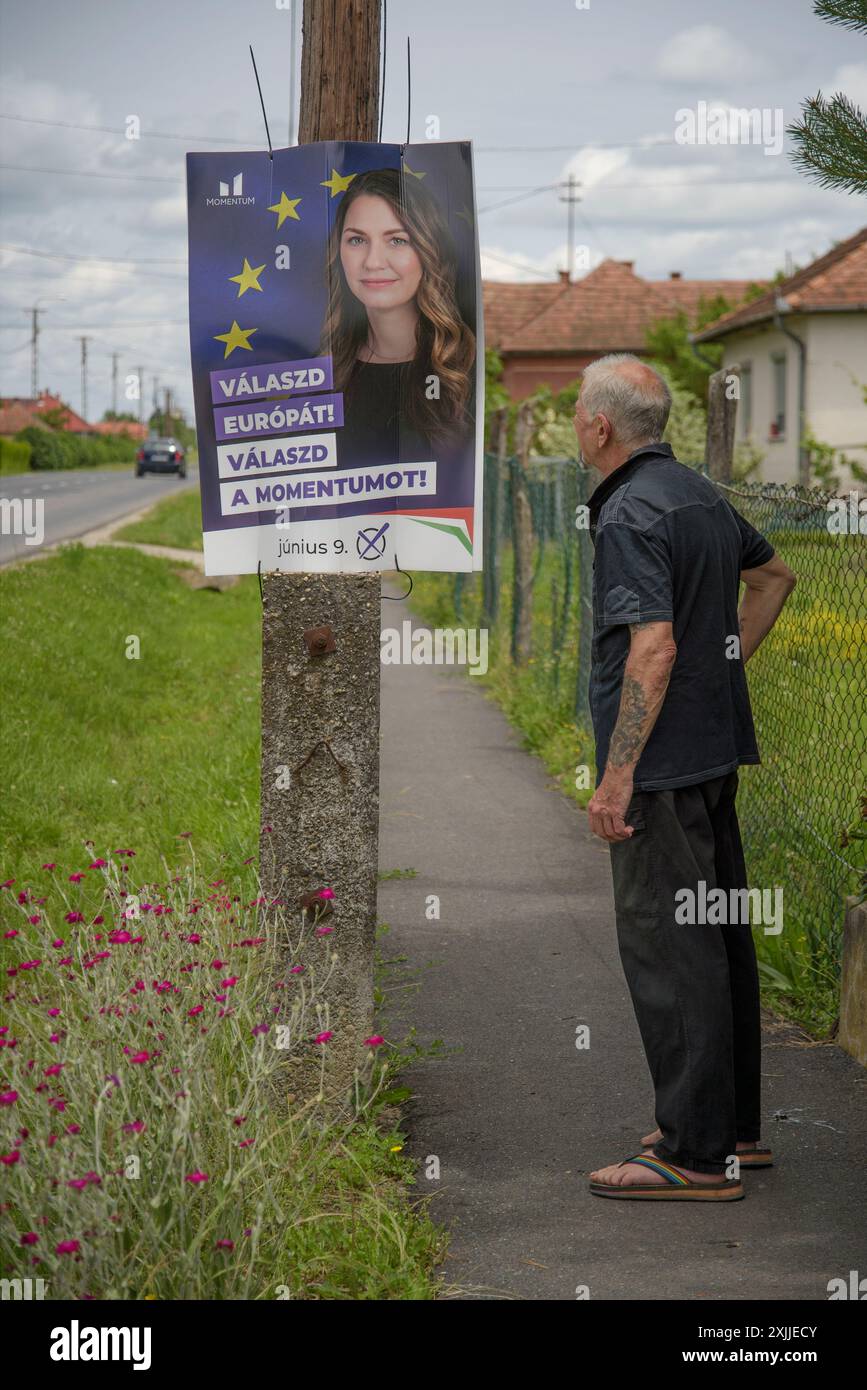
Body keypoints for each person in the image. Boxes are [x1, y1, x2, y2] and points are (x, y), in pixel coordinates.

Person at [572, 353, 797, 1202]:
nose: (574, 429)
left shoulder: (628, 512)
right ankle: (733, 1130)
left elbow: (652, 646)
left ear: (600, 427)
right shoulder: (699, 493)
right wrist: (725, 664)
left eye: (576, 416)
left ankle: (695, 1157)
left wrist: (614, 779)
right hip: (713, 753)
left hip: (660, 768)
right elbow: (773, 575)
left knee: (670, 948)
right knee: (719, 935)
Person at [317, 167, 476, 479]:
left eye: (398, 240)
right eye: (357, 240)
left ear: (429, 250)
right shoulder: (321, 373)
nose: (373, 261)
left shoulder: (464, 369)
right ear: (338, 253)